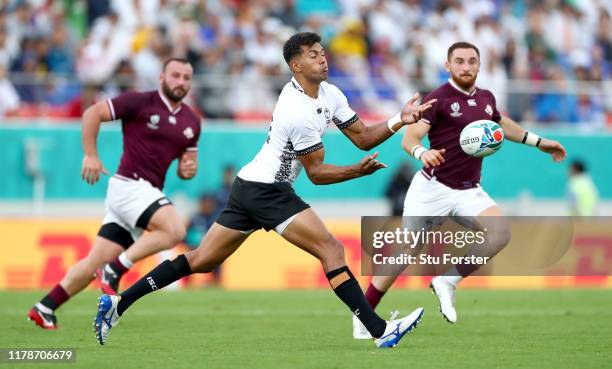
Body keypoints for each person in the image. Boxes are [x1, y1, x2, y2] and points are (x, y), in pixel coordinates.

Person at [93, 32, 436, 349]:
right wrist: (356, 172)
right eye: (314, 55)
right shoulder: (296, 109)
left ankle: (119, 303)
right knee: (330, 249)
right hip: (266, 190)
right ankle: (379, 331)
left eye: (323, 53)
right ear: (296, 65)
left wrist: (398, 120)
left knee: (201, 260)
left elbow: (362, 137)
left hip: (249, 185)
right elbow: (316, 174)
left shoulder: (331, 93)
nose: (323, 59)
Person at [353, 42, 567, 338]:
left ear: (479, 66)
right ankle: (364, 315)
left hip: (468, 190)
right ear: (448, 66)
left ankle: (447, 281)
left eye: (471, 61)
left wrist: (541, 143)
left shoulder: (487, 99)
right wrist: (421, 153)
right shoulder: (438, 98)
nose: (466, 66)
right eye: (460, 61)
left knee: (500, 232)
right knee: (407, 251)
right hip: (432, 188)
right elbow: (410, 137)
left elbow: (503, 125)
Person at [27, 58, 201, 330]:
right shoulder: (140, 101)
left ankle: (45, 307)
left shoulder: (192, 121)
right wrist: (90, 156)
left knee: (94, 260)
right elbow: (91, 114)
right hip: (129, 186)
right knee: (174, 230)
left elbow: (187, 166)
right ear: (161, 77)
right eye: (175, 75)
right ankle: (117, 269)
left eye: (186, 77)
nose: (181, 82)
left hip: (145, 194)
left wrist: (187, 169)